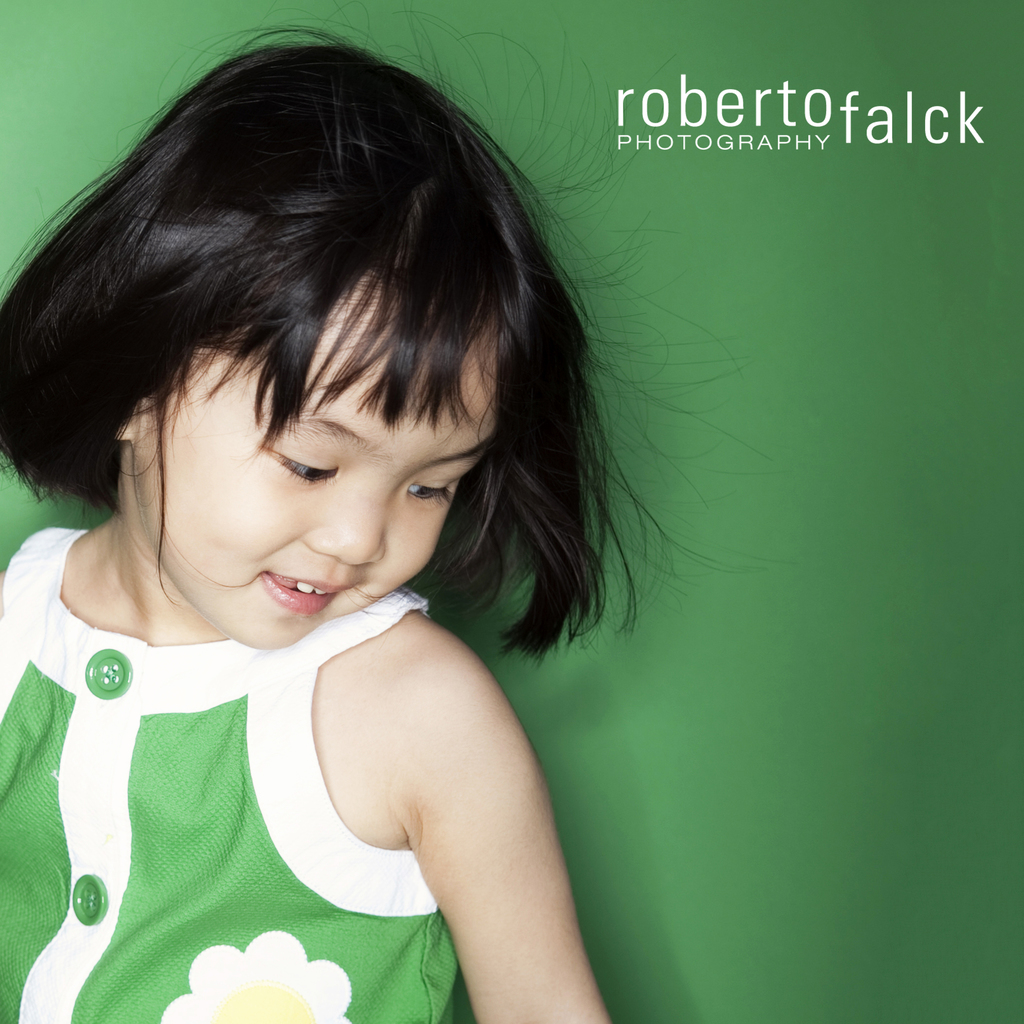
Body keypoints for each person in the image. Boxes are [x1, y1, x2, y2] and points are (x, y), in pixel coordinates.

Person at [0, 32, 625, 1024]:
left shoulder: (421, 716)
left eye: (431, 486)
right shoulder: (15, 630)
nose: (359, 537)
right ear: (134, 382)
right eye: (311, 464)